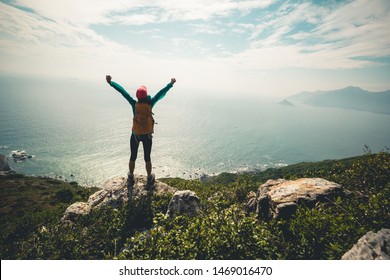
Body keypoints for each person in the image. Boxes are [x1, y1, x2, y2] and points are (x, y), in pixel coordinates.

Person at [105, 75, 176, 186]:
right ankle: (149, 178)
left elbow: (123, 92)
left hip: (135, 135)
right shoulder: (150, 104)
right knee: (147, 157)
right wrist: (170, 84)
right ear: (146, 95)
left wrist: (111, 83)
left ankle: (131, 177)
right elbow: (161, 93)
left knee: (133, 156)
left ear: (137, 96)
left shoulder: (134, 104)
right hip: (147, 135)